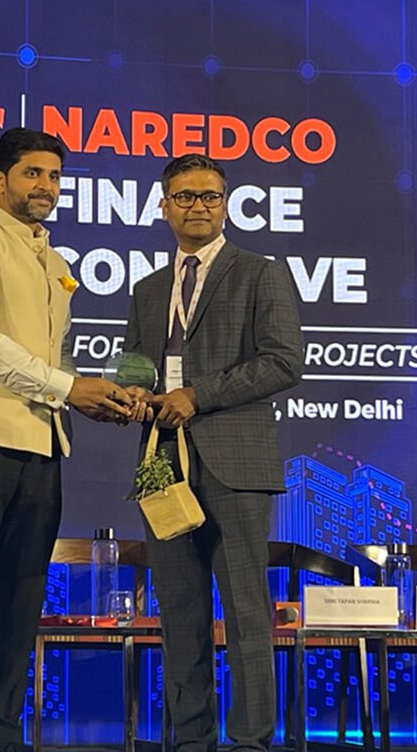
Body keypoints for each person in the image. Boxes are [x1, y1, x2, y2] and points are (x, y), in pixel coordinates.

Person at [0, 127, 134, 752]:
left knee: (21, 597)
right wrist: (68, 387)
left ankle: (2, 734)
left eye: (54, 176)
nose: (46, 186)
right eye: (32, 173)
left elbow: (50, 359)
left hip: (40, 443)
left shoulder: (56, 263)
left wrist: (91, 399)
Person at [123, 154, 303, 751]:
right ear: (164, 206)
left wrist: (197, 395)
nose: (198, 206)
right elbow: (137, 365)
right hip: (163, 463)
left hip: (236, 465)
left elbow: (284, 362)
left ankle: (250, 743)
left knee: (247, 615)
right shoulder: (148, 289)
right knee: (179, 615)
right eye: (185, 196)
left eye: (210, 196)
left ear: (225, 204)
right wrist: (130, 393)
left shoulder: (259, 273)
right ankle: (191, 742)